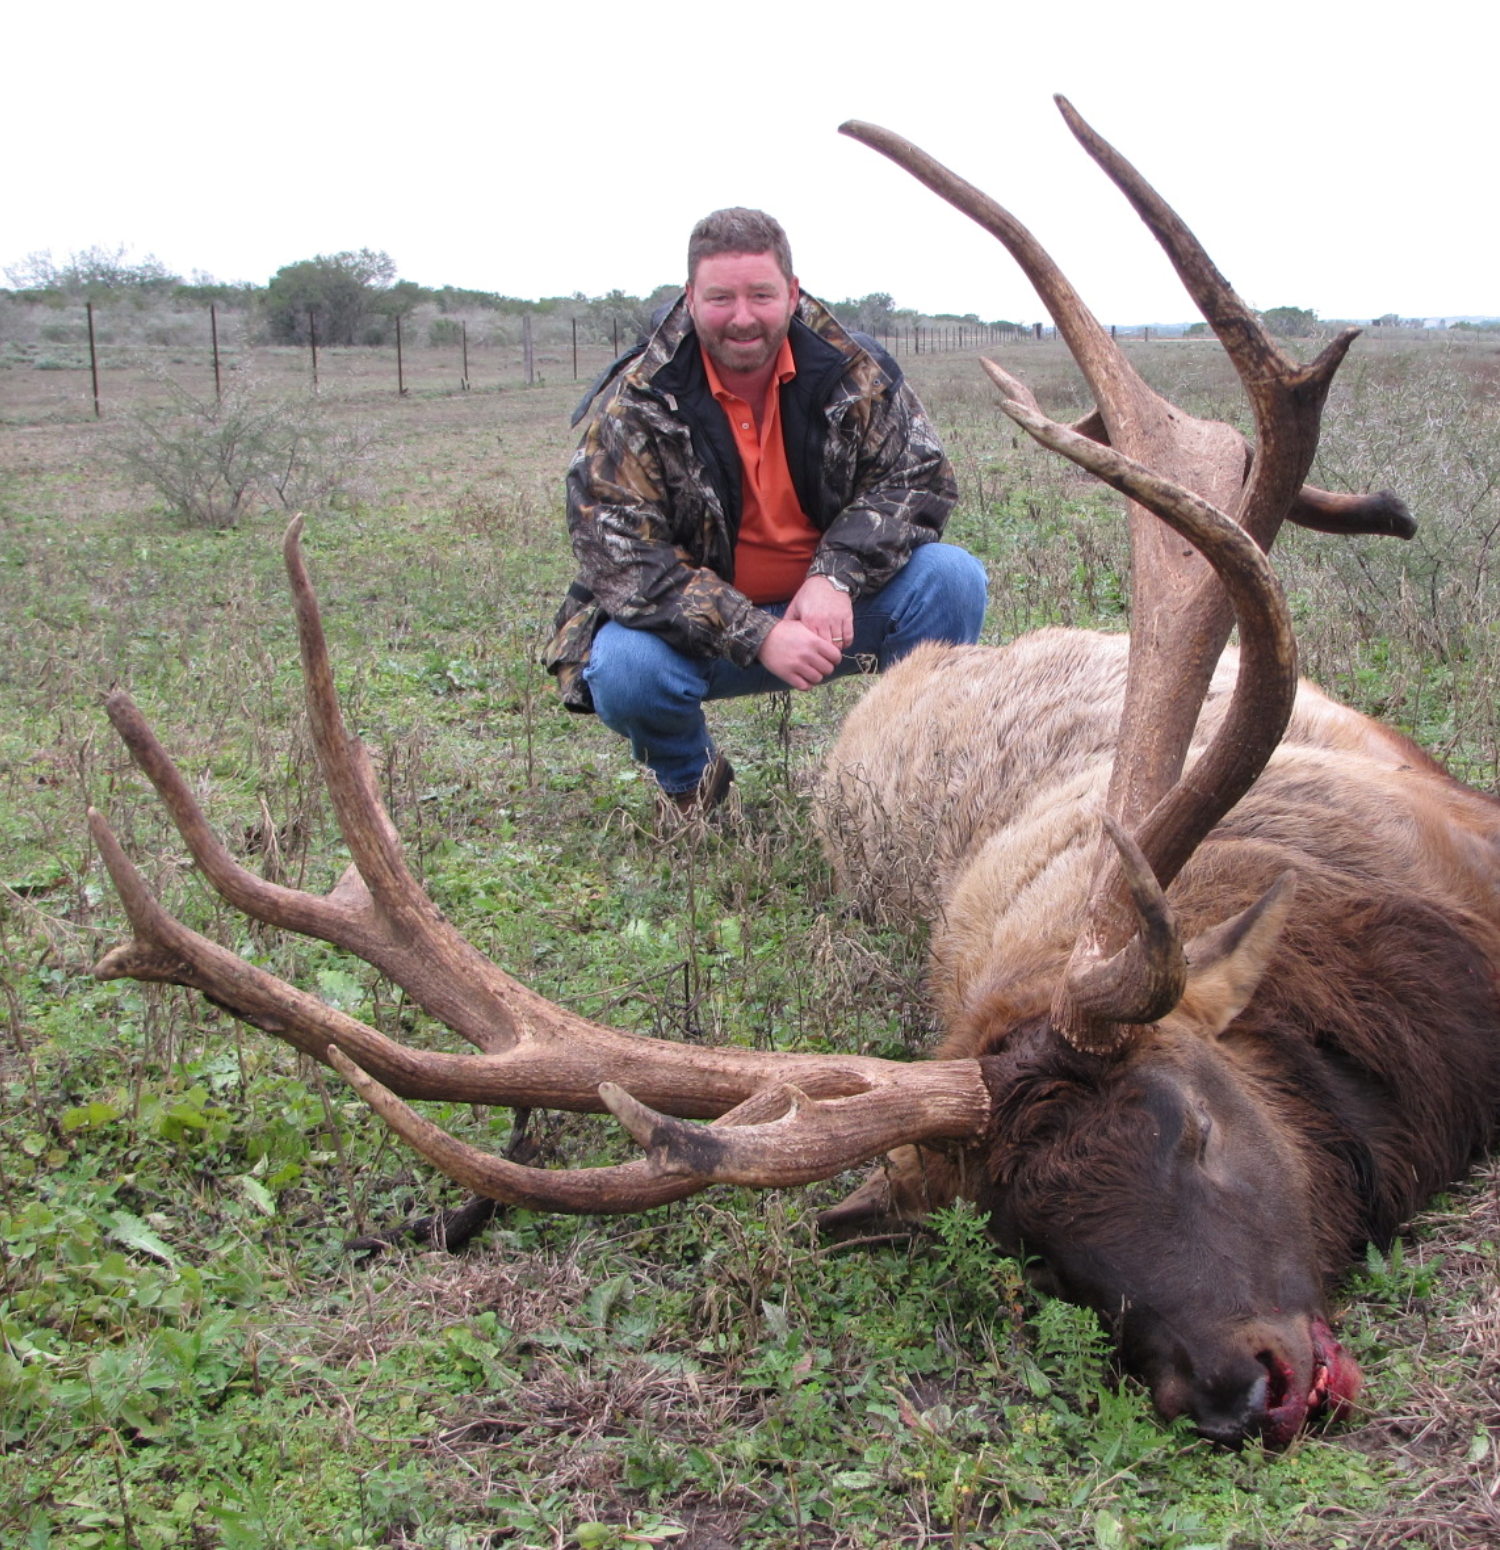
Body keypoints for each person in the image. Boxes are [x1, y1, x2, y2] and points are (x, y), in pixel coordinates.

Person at [545, 207, 986, 814]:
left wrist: (835, 573)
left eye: (761, 294)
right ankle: (692, 788)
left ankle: (909, 776)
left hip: (837, 614)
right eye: (721, 297)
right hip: (703, 637)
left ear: (793, 292)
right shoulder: (638, 400)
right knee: (624, 667)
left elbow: (918, 477)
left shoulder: (852, 370)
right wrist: (757, 632)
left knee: (952, 580)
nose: (742, 317)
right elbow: (622, 559)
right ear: (691, 299)